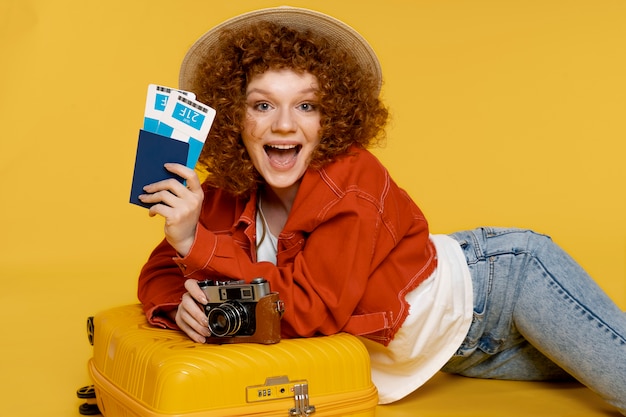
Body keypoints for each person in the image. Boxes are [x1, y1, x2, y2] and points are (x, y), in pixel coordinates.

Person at [136, 6, 626, 413]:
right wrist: (183, 308)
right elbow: (158, 274)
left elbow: (312, 310)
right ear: (233, 116)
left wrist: (193, 245)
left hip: (502, 287)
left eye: (307, 106)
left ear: (333, 115)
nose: (284, 125)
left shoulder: (353, 179)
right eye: (262, 105)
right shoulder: (225, 191)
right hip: (453, 350)